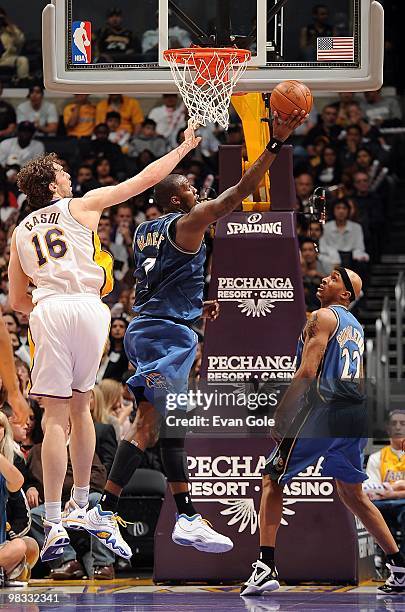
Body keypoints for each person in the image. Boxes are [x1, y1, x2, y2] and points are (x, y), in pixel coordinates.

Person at [81, 110, 308, 558]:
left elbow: (150, 282)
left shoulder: (146, 231)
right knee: (164, 423)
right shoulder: (187, 223)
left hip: (150, 329)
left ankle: (124, 510)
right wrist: (276, 144)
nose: (195, 190)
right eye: (187, 187)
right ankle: (161, 514)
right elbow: (237, 195)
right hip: (166, 338)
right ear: (172, 201)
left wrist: (190, 306)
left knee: (151, 423)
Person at [7, 120, 201, 563]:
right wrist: (185, 146)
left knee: (55, 416)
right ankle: (82, 504)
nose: (69, 175)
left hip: (50, 308)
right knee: (83, 405)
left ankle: (54, 519)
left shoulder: (20, 232)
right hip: (91, 309)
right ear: (53, 183)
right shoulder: (82, 205)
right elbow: (144, 181)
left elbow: (18, 299)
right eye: (62, 171)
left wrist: (45, 295)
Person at [241, 267, 405, 596]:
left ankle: (265, 566)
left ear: (345, 294)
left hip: (326, 410)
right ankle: (399, 566)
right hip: (354, 415)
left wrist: (282, 414)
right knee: (353, 495)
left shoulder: (323, 316)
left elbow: (306, 372)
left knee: (272, 478)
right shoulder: (355, 327)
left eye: (333, 278)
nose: (324, 280)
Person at [0, 411, 38, 587]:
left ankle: (6, 572)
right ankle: (7, 572)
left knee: (26, 546)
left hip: (2, 543)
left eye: (1, 426)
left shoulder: (8, 465)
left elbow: (18, 481)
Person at [0, 7, 29, 82]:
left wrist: (9, 25)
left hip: (6, 58)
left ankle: (23, 82)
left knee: (23, 60)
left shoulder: (10, 30)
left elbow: (21, 40)